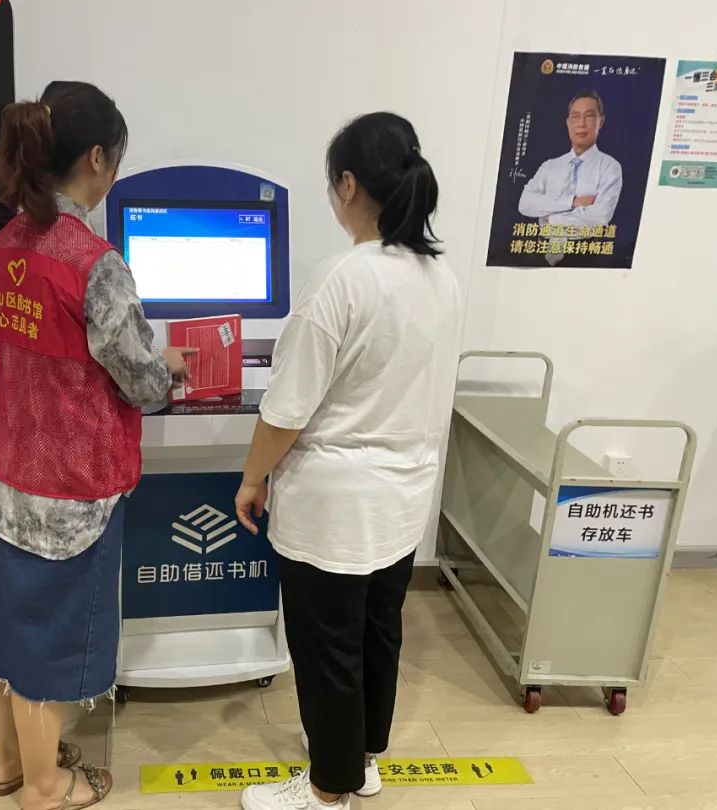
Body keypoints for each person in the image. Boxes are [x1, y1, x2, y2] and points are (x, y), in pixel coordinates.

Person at [0, 80, 193, 810]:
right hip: (73, 489)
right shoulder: (96, 263)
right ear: (97, 158)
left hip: (9, 472)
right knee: (48, 644)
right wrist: (171, 366)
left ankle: (8, 764)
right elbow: (140, 380)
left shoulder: (5, 244)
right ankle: (43, 787)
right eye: (117, 159)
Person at [235, 112, 462, 810]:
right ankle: (362, 762)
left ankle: (327, 789)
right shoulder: (440, 277)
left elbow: (285, 410)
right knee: (377, 632)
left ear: (349, 185)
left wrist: (252, 478)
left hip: (334, 504)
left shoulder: (341, 278)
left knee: (327, 646)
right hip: (404, 497)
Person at [517, 89, 623, 266]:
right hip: (540, 249)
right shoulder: (550, 166)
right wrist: (572, 202)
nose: (581, 124)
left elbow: (600, 216)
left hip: (584, 253)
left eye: (589, 116)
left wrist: (552, 219)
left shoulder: (609, 167)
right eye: (575, 116)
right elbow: (525, 204)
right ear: (568, 123)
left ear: (601, 121)